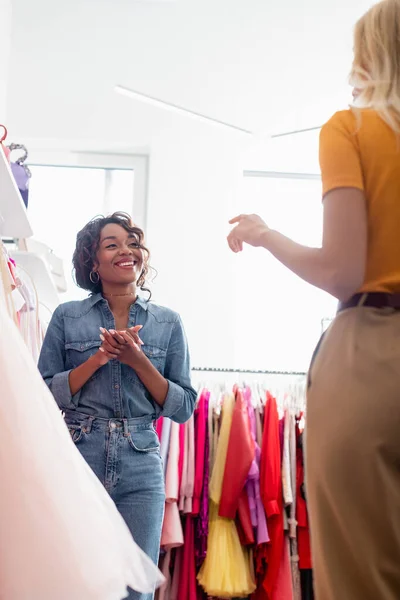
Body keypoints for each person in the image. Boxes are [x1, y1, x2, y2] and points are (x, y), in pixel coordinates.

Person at [227, 0, 400, 598]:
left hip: (373, 357)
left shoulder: (351, 129)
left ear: (368, 57)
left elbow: (344, 270)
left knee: (362, 574)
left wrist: (266, 234)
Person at [38, 211, 197, 600]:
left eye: (132, 243)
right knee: (75, 576)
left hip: (141, 463)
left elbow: (184, 407)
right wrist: (98, 358)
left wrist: (138, 361)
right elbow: (42, 394)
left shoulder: (167, 322)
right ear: (93, 264)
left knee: (134, 587)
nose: (127, 251)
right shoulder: (67, 316)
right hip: (80, 455)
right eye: (112, 245)